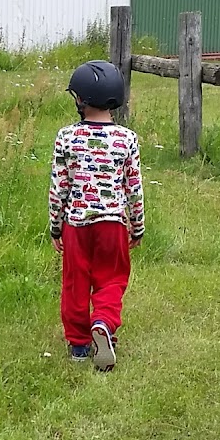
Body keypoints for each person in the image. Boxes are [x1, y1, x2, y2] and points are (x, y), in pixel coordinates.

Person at [49, 60, 145, 371]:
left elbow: (59, 187)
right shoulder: (127, 139)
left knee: (75, 283)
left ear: (81, 99)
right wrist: (137, 226)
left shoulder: (66, 137)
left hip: (76, 226)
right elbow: (134, 188)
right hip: (113, 225)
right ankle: (103, 322)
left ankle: (79, 345)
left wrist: (55, 227)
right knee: (112, 279)